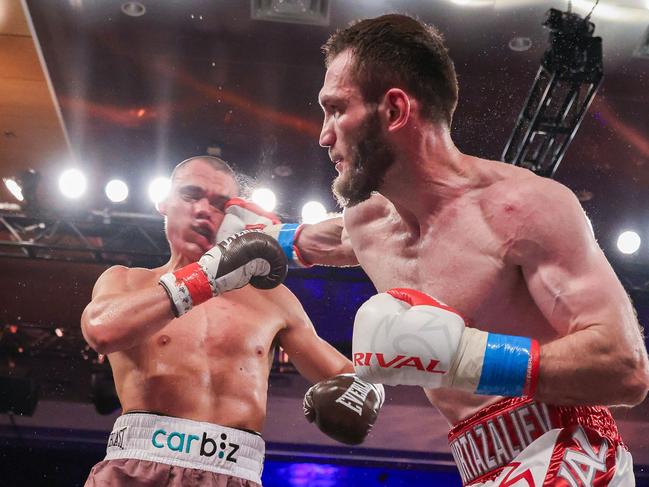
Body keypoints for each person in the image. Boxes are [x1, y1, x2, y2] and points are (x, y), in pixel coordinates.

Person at [222, 15, 649, 486]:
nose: (324, 135)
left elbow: (625, 368)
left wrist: (466, 357)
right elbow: (296, 243)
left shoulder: (522, 208)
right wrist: (233, 236)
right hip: (478, 464)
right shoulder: (365, 225)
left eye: (336, 109)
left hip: (569, 450)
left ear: (394, 110)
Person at [80, 156, 384, 487]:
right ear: (163, 201)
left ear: (236, 216)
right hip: (138, 468)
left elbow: (351, 378)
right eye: (191, 194)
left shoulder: (273, 299)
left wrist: (370, 391)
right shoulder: (128, 281)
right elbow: (101, 330)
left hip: (234, 474)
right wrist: (206, 277)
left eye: (220, 203)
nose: (202, 210)